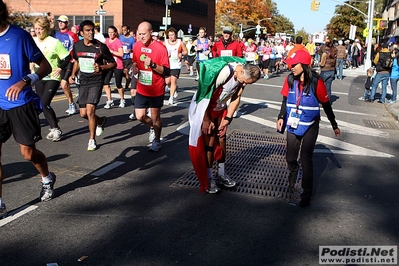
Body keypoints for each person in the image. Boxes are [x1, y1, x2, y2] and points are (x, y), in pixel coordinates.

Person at [0, 0, 56, 215]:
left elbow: (46, 66)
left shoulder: (19, 36)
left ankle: (47, 178)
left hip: (20, 103)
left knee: (28, 153)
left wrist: (25, 80)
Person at [276, 49, 340, 207]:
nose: (291, 67)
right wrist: (281, 117)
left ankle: (306, 194)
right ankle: (292, 174)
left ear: (304, 65)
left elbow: (325, 104)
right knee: (291, 157)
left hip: (311, 124)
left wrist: (334, 124)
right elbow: (285, 100)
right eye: (290, 64)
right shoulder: (289, 79)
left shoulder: (316, 82)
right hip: (293, 122)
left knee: (306, 158)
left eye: (294, 64)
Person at [188, 57, 261, 194]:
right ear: (241, 72)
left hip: (221, 109)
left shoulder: (242, 78)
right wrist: (205, 119)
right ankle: (209, 178)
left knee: (222, 138)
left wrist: (227, 119)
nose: (244, 85)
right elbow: (204, 94)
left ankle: (221, 174)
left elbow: (236, 97)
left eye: (247, 84)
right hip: (206, 108)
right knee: (209, 142)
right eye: (244, 82)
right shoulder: (225, 72)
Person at [69, 20, 116, 151]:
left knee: (90, 111)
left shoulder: (101, 46)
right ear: (82, 33)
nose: (90, 33)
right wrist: (73, 74)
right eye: (87, 31)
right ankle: (100, 121)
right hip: (83, 81)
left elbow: (113, 64)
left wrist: (101, 67)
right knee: (83, 113)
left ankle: (91, 140)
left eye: (92, 30)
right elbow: (77, 61)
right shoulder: (77, 46)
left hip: (96, 81)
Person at [132, 21, 170, 152]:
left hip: (156, 89)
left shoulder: (160, 48)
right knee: (139, 116)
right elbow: (135, 62)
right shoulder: (136, 46)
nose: (141, 37)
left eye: (144, 34)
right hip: (142, 87)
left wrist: (153, 64)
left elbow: (166, 71)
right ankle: (152, 127)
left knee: (156, 117)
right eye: (139, 34)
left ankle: (157, 141)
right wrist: (134, 68)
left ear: (151, 33)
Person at [33, 16, 70, 142]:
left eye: (41, 29)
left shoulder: (54, 42)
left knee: (44, 103)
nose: (38, 32)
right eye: (36, 29)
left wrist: (60, 68)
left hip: (52, 77)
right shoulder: (33, 41)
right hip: (38, 76)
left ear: (46, 29)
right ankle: (53, 128)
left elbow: (67, 57)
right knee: (43, 105)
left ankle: (56, 129)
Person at [54, 15, 79, 116]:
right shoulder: (56, 35)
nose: (60, 23)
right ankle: (72, 103)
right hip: (59, 62)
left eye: (63, 22)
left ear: (67, 23)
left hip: (70, 61)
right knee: (64, 85)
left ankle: (71, 104)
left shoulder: (72, 35)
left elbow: (78, 48)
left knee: (64, 84)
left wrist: (77, 64)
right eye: (59, 21)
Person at [103, 25, 125, 109]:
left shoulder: (118, 41)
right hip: (109, 65)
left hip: (117, 64)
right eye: (109, 32)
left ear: (115, 33)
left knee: (118, 84)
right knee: (106, 82)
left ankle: (122, 99)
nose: (111, 34)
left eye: (112, 32)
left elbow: (121, 54)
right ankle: (109, 100)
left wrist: (111, 51)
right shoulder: (107, 40)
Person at [164, 27, 188, 105]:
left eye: (172, 35)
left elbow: (186, 51)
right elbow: (161, 52)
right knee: (167, 81)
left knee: (173, 80)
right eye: (169, 35)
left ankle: (171, 98)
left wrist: (181, 54)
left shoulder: (180, 43)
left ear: (176, 35)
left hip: (176, 64)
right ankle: (174, 89)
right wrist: (166, 55)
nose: (170, 37)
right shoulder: (165, 42)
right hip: (167, 64)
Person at [120, 25, 135, 90]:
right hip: (121, 56)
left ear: (128, 30)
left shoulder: (132, 39)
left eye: (125, 30)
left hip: (127, 57)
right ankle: (128, 79)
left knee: (126, 71)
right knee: (120, 72)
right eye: (122, 30)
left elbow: (134, 48)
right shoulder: (120, 37)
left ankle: (126, 84)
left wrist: (130, 50)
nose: (123, 32)